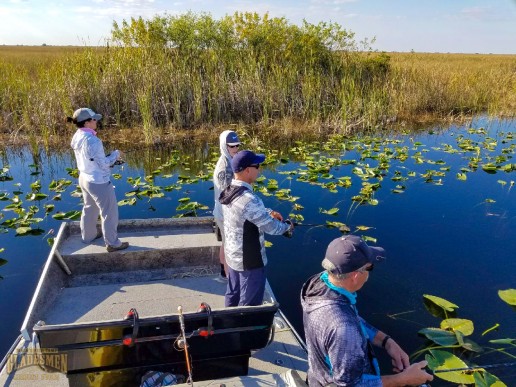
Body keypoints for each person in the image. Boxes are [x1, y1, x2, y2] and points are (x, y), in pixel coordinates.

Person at [300, 235, 433, 387]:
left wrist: (387, 342)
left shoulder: (317, 284)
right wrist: (403, 380)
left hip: (317, 377)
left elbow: (352, 319)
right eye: (370, 268)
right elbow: (349, 385)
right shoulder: (343, 328)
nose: (370, 273)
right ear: (356, 276)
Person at [219, 150, 294, 307]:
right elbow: (272, 227)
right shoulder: (249, 199)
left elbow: (243, 214)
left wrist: (268, 212)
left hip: (232, 255)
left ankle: (228, 323)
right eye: (257, 166)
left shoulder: (228, 191)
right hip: (249, 261)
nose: (259, 170)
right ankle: (244, 330)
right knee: (250, 304)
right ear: (247, 170)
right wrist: (287, 227)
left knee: (233, 293)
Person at [69, 107, 129, 253]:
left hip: (84, 178)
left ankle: (88, 237)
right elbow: (104, 164)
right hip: (98, 182)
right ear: (87, 122)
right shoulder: (93, 141)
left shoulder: (77, 135)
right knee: (109, 212)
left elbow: (93, 159)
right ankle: (112, 244)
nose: (97, 121)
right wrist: (116, 154)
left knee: (89, 208)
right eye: (94, 119)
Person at [213, 130, 241, 282]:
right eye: (232, 146)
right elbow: (226, 196)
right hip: (224, 213)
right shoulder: (224, 168)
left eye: (237, 145)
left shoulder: (231, 160)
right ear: (224, 146)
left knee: (226, 242)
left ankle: (225, 274)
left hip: (227, 212)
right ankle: (227, 277)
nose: (235, 148)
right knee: (228, 245)